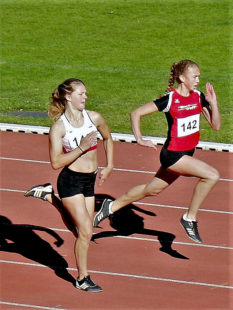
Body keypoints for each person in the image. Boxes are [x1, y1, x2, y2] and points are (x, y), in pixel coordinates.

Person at [94, 59, 221, 244]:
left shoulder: (199, 96)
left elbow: (216, 126)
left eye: (199, 77)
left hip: (187, 154)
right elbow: (135, 113)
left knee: (151, 190)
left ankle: (111, 206)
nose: (198, 80)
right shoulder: (170, 99)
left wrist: (214, 103)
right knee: (212, 175)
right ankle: (189, 218)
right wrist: (140, 139)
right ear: (182, 78)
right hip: (173, 155)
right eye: (194, 76)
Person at [25, 78, 113, 292]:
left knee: (83, 230)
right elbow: (55, 162)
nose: (86, 97)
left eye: (85, 93)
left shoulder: (94, 118)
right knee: (85, 231)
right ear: (68, 97)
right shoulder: (59, 128)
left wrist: (109, 165)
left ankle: (50, 197)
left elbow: (108, 138)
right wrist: (82, 148)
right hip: (70, 181)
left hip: (89, 180)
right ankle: (82, 278)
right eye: (81, 93)